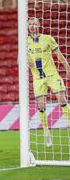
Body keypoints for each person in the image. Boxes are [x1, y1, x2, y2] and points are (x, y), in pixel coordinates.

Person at [28, 17, 70, 146]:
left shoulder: (48, 38)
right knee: (41, 105)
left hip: (52, 75)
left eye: (34, 24)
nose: (32, 26)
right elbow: (20, 61)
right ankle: (46, 132)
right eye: (30, 24)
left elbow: (59, 55)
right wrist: (27, 63)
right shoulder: (24, 42)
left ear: (39, 25)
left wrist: (67, 67)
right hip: (38, 78)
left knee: (62, 99)